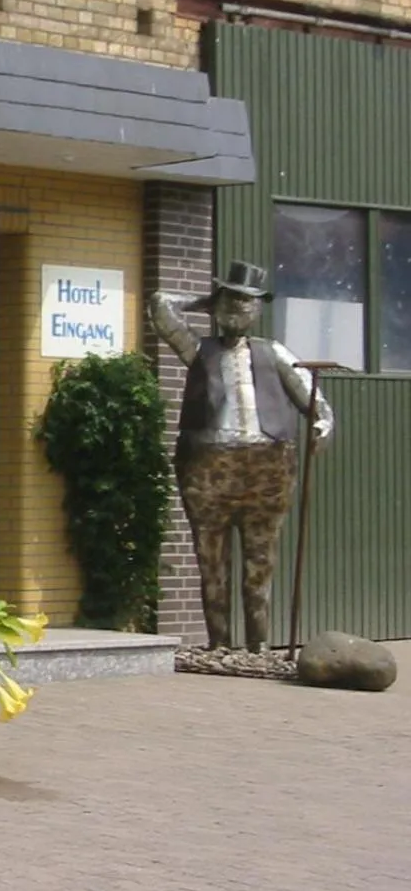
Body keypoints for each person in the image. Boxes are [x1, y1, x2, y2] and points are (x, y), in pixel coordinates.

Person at [148, 261, 333, 652]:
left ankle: (259, 646)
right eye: (231, 299)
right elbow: (161, 306)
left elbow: (313, 400)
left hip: (266, 468)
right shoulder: (199, 350)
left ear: (259, 308)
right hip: (208, 467)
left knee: (259, 561)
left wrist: (322, 426)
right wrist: (206, 300)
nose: (239, 308)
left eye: (247, 301)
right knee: (210, 560)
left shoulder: (275, 353)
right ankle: (218, 644)